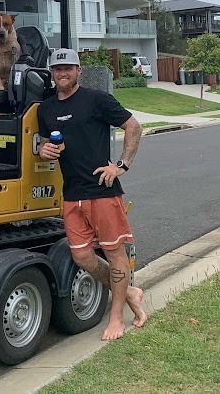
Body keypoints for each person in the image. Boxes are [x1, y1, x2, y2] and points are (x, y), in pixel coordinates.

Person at [38, 48, 146, 340]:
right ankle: (131, 292)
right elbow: (44, 143)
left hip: (102, 192)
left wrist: (120, 166)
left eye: (69, 68)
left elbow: (133, 126)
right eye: (58, 69)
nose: (63, 73)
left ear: (79, 71)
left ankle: (116, 318)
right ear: (52, 73)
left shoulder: (96, 100)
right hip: (72, 195)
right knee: (83, 257)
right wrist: (42, 149)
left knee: (115, 256)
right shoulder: (45, 109)